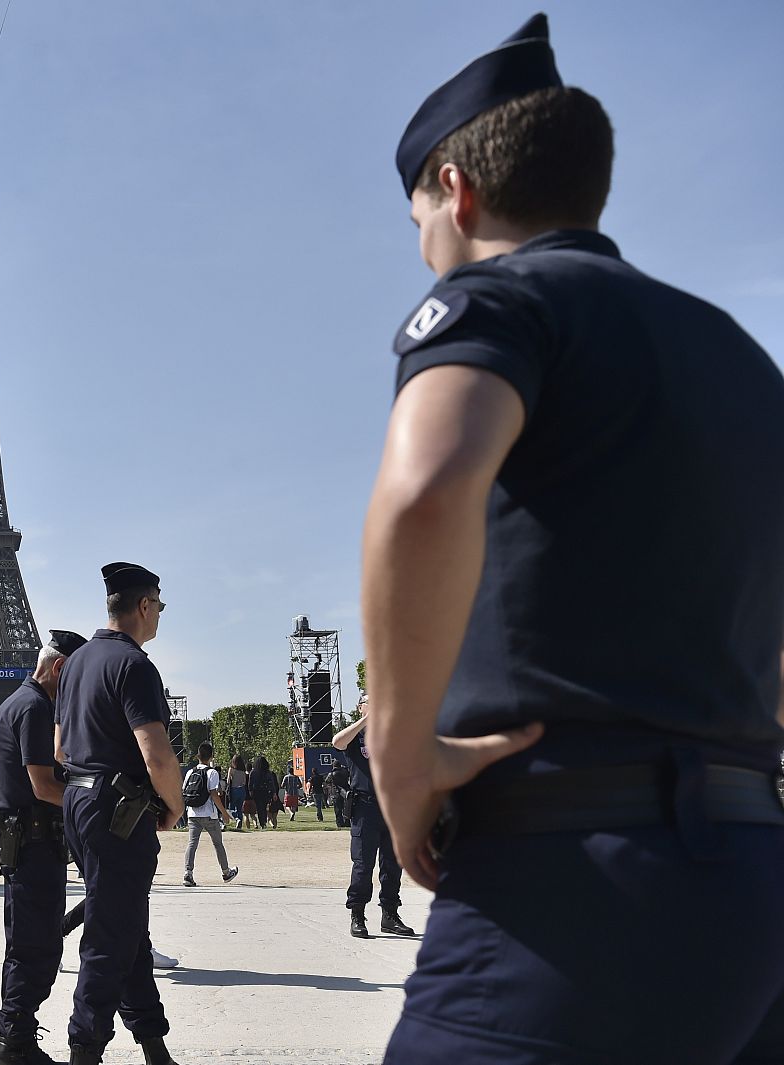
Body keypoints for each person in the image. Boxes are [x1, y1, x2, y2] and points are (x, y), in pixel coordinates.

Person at [365, 14, 784, 1062]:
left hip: (569, 877)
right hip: (750, 874)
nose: (424, 244)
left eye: (419, 217)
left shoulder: (496, 303)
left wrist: (399, 755)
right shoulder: (738, 353)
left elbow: (423, 495)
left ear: (456, 190)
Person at [55, 563, 184, 1065]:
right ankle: (84, 1048)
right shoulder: (134, 666)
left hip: (80, 804)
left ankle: (153, 1041)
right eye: (160, 608)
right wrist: (172, 806)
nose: (159, 618)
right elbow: (155, 752)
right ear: (145, 606)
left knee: (126, 923)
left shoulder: (77, 663)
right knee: (110, 936)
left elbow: (62, 749)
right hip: (119, 812)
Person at [0, 629, 86, 1065]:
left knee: (32, 943)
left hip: (31, 842)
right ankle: (15, 1041)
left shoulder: (22, 701)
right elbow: (44, 786)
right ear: (60, 668)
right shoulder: (32, 707)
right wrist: (91, 802)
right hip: (33, 844)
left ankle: (18, 1034)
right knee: (35, 945)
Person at [331, 708, 412, 939]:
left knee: (393, 864)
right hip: (366, 808)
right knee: (363, 864)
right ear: (360, 708)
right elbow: (337, 742)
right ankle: (357, 914)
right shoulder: (355, 739)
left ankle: (390, 914)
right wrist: (366, 720)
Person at [181, 743, 238, 887]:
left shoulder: (190, 772)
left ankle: (188, 873)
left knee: (192, 844)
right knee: (218, 844)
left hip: (192, 813)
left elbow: (184, 791)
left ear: (198, 756)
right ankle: (226, 872)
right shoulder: (212, 773)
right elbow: (214, 794)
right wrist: (224, 813)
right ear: (211, 756)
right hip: (209, 814)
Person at [248, 755, 277, 829]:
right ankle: (263, 822)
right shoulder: (268, 772)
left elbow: (250, 782)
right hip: (266, 791)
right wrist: (274, 793)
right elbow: (271, 783)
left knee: (259, 807)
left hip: (257, 791)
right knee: (264, 807)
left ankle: (262, 822)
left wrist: (250, 790)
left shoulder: (253, 772)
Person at [226, 754, 249, 830]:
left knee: (231, 808)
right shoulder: (243, 771)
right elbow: (244, 782)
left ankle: (236, 819)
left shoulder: (231, 769)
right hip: (242, 790)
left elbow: (228, 781)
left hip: (234, 789)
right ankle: (239, 824)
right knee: (239, 808)